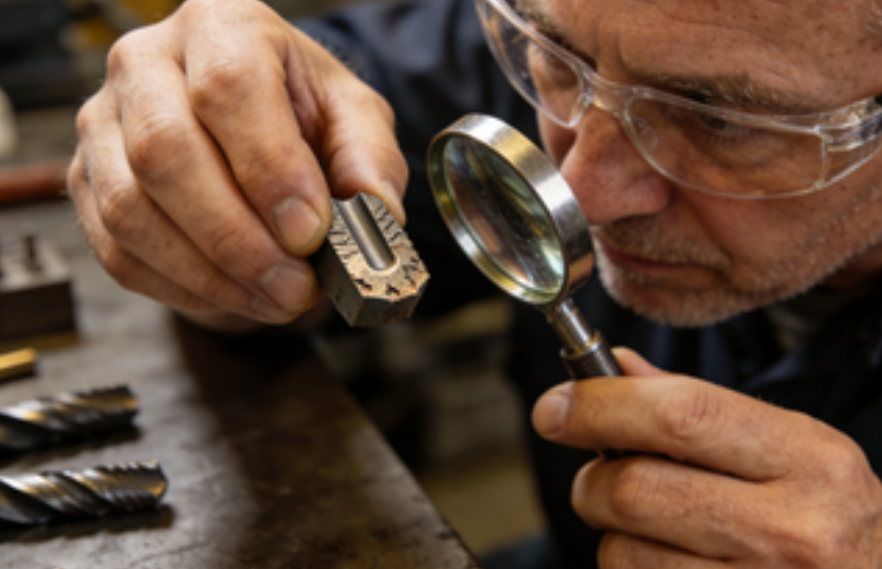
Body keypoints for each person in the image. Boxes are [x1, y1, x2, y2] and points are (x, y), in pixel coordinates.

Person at [67, 0, 882, 566]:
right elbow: (253, 132)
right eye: (562, 61)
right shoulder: (597, 32)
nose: (580, 192)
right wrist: (204, 189)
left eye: (720, 120)